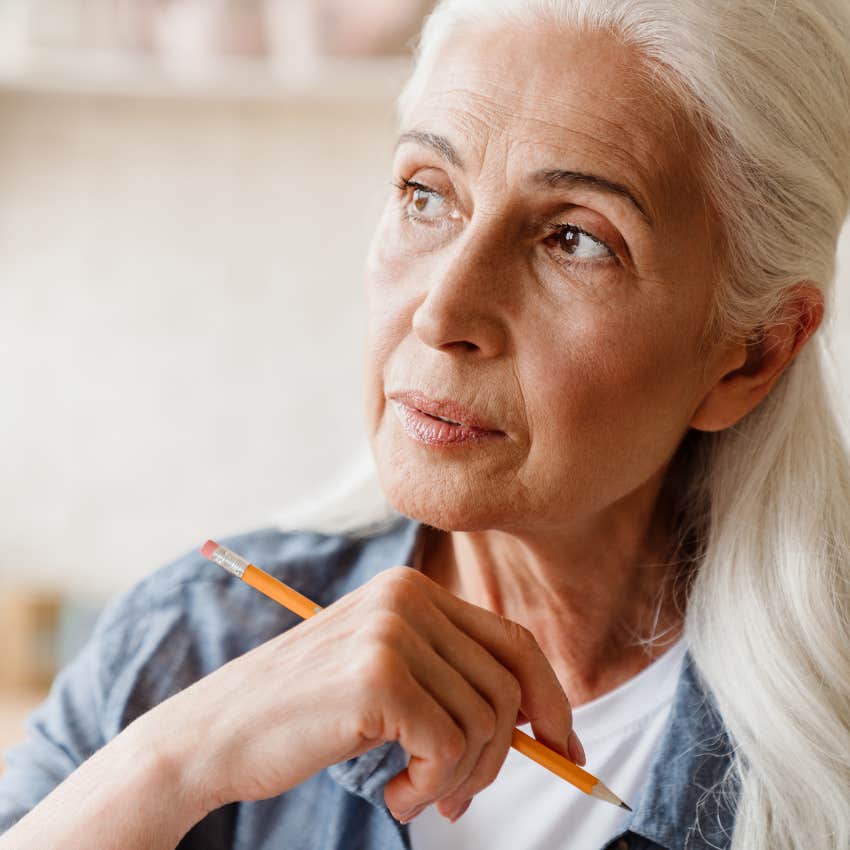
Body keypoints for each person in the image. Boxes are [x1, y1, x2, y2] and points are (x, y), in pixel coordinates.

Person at [2, 1, 850, 848]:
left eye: (575, 239)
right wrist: (172, 766)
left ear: (753, 354)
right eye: (425, 193)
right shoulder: (189, 644)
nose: (441, 313)